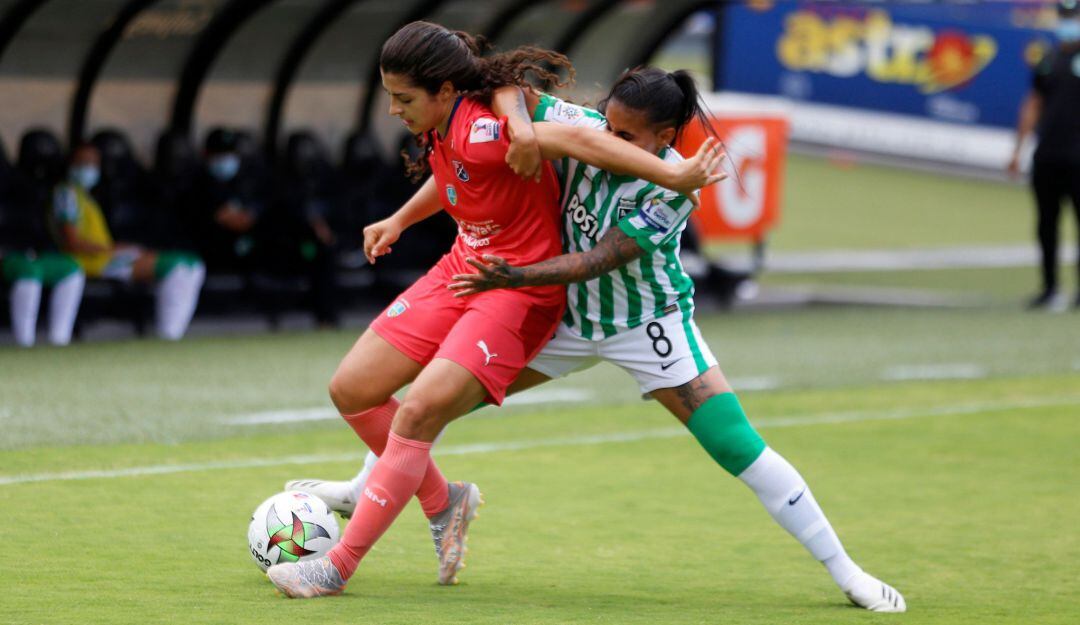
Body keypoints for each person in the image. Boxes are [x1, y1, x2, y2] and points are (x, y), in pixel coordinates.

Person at [288, 67, 906, 612]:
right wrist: (523, 130)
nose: (606, 140)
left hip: (645, 324)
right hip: (566, 320)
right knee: (430, 401)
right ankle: (369, 489)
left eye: (625, 136)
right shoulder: (592, 125)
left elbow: (596, 260)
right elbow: (503, 86)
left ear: (664, 139)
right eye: (606, 125)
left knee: (735, 445)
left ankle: (846, 571)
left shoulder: (674, 190)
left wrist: (511, 275)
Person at [264, 21, 723, 599]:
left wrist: (673, 173)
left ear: (445, 92)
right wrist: (400, 220)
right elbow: (456, 174)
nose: (391, 110)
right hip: (465, 266)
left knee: (416, 413)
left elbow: (578, 141)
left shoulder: (487, 129)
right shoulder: (450, 125)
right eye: (389, 96)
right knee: (353, 389)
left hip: (517, 290)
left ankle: (335, 567)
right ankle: (444, 501)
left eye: (403, 99)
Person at [51, 142, 204, 340]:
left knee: (190, 263)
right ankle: (168, 334)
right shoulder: (66, 195)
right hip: (90, 261)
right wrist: (111, 249)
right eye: (82, 162)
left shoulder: (85, 196)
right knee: (178, 266)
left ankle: (172, 332)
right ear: (70, 164)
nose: (88, 168)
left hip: (103, 256)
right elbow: (71, 242)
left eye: (93, 164)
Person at [1008, 0, 1080, 310]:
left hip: (1079, 159)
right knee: (1046, 225)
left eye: (1073, 16)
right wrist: (1018, 149)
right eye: (1064, 16)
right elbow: (1033, 103)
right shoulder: (1048, 59)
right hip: (1048, 155)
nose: (1068, 22)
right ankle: (1049, 288)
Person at [1, 140, 84, 347]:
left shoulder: (24, 186)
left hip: (33, 252)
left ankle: (59, 339)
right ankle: (24, 342)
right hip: (7, 255)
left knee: (71, 269)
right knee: (29, 271)